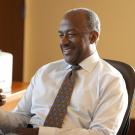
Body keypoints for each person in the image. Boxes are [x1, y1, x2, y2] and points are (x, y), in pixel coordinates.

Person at [0, 8, 128, 135]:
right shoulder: (45, 72)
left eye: (71, 34)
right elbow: (21, 118)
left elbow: (102, 133)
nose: (64, 42)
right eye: (61, 35)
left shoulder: (111, 80)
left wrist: (40, 133)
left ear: (93, 37)